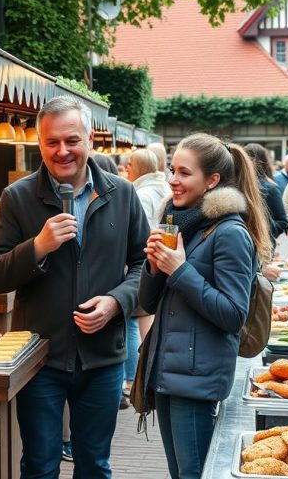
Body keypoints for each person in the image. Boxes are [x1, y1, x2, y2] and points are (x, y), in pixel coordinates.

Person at [0, 96, 149, 479]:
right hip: (40, 358)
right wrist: (37, 246)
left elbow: (145, 266)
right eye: (51, 142)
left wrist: (115, 302)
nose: (62, 151)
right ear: (39, 142)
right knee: (40, 466)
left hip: (102, 357)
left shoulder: (121, 194)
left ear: (89, 138)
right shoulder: (18, 197)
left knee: (94, 465)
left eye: (71, 140)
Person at [140, 135, 270, 479]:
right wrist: (154, 266)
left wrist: (179, 270)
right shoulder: (183, 224)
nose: (173, 179)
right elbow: (147, 303)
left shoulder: (229, 233)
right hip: (168, 371)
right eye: (172, 170)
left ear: (211, 181)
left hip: (197, 378)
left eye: (185, 173)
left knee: (195, 473)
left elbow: (232, 315)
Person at [121, 148, 168, 408]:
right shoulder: (161, 188)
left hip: (142, 262)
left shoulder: (140, 193)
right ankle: (146, 366)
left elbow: (136, 232)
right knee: (145, 315)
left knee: (130, 319)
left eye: (129, 165)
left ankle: (131, 377)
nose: (126, 169)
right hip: (156, 263)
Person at [243, 143, 288, 244]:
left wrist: (260, 227)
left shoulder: (270, 188)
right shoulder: (235, 185)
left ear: (258, 161)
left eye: (250, 158)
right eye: (245, 158)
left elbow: (282, 223)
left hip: (261, 246)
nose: (246, 162)